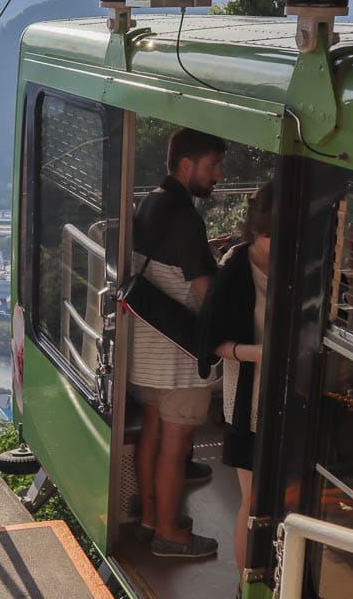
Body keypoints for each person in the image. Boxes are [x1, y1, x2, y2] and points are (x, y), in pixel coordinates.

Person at [131, 127, 225, 558]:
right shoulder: (187, 217)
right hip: (179, 354)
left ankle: (152, 516)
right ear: (186, 166)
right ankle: (170, 533)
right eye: (212, 165)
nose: (218, 175)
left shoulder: (150, 201)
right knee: (177, 446)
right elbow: (208, 292)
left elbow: (170, 262)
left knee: (153, 433)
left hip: (147, 346)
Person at [196, 182, 274, 579]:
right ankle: (249, 585)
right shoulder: (233, 272)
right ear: (257, 232)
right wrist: (256, 354)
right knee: (255, 501)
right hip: (249, 401)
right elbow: (210, 342)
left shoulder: (300, 267)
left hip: (287, 397)